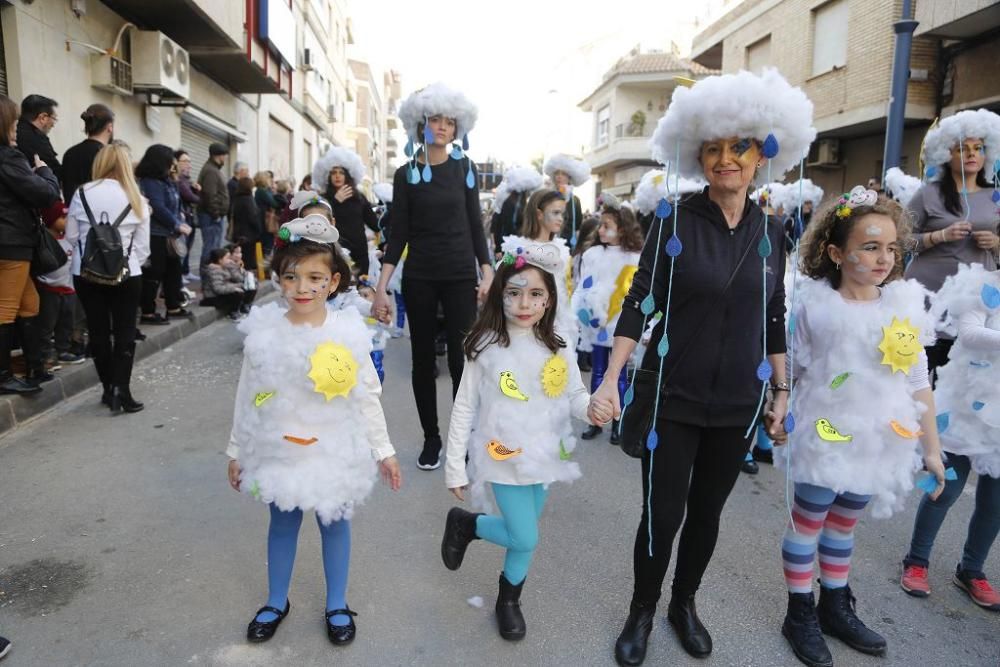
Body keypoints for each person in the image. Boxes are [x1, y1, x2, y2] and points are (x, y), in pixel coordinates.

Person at [588, 69, 815, 665]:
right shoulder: (674, 218)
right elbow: (640, 301)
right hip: (673, 396)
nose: (724, 160)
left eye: (736, 147)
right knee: (661, 516)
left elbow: (774, 314)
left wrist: (782, 391)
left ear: (760, 153)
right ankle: (642, 608)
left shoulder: (772, 231)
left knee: (707, 516)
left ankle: (683, 604)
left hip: (737, 400)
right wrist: (612, 377)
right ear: (697, 154)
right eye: (712, 149)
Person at [775, 187, 946, 667]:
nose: (884, 258)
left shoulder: (901, 304)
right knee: (808, 522)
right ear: (835, 252)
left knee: (844, 524)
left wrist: (931, 448)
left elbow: (918, 380)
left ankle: (834, 604)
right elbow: (794, 370)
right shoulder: (812, 306)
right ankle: (799, 611)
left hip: (876, 436)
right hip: (823, 432)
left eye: (892, 248)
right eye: (870, 246)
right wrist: (779, 409)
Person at [225, 214, 401, 646]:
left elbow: (365, 396)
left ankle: (337, 603)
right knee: (282, 524)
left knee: (334, 525)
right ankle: (276, 600)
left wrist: (384, 450)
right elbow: (249, 394)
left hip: (334, 450)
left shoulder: (347, 334)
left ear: (334, 281)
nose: (302, 287)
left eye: (314, 277)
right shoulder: (264, 333)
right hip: (281, 450)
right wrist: (238, 449)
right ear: (278, 279)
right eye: (291, 276)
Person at [440, 247, 603, 640]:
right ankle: (470, 526)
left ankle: (508, 601)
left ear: (549, 299)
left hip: (545, 455)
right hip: (502, 455)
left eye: (534, 294)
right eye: (513, 293)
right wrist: (454, 466)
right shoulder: (484, 344)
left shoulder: (558, 344)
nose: (524, 303)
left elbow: (574, 396)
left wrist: (593, 408)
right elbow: (464, 406)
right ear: (499, 294)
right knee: (526, 534)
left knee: (524, 533)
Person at [371, 82, 494, 471]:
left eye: (448, 122)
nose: (441, 127)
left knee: (462, 361)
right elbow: (399, 233)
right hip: (420, 276)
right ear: (420, 125)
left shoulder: (465, 168)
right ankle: (432, 439)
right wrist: (381, 287)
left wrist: (487, 272)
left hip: (460, 275)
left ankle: (461, 437)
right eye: (434, 121)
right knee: (423, 362)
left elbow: (476, 226)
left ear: (457, 129)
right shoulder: (405, 174)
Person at [900, 262, 1000, 611]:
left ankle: (972, 570)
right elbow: (969, 333)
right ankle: (917, 559)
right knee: (946, 487)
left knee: (995, 502)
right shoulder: (983, 284)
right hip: (964, 407)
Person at [904, 109, 1000, 380]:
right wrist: (939, 236)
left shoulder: (996, 197)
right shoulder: (927, 194)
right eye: (962, 149)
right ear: (947, 154)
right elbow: (900, 241)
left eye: (978, 148)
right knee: (920, 375)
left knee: (967, 379)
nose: (971, 154)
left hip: (977, 303)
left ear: (987, 154)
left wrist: (996, 242)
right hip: (928, 298)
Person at [66, 142, 151, 413]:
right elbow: (143, 248)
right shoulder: (137, 197)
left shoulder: (82, 193)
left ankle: (106, 388)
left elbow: (71, 236)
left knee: (98, 330)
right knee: (125, 332)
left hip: (86, 272)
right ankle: (122, 391)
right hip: (127, 273)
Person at [0, 94, 61, 394]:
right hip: (12, 241)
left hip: (11, 241)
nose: (16, 128)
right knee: (7, 306)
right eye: (12, 121)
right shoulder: (8, 157)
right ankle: (3, 376)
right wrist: (45, 172)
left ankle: (35, 365)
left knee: (28, 302)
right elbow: (44, 194)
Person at [572, 194, 643, 444]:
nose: (600, 230)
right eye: (600, 225)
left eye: (607, 226)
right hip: (597, 323)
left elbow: (637, 291)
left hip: (622, 324)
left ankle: (617, 421)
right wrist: (583, 312)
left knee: (619, 372)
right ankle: (596, 418)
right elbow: (584, 285)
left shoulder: (634, 257)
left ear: (622, 229)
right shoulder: (592, 254)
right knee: (599, 371)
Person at [136, 144, 191, 324]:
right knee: (154, 272)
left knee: (173, 271)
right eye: (170, 162)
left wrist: (180, 219)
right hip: (156, 233)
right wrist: (177, 224)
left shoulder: (167, 180)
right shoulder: (150, 182)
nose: (173, 165)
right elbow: (158, 207)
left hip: (170, 234)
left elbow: (176, 203)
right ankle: (148, 313)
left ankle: (173, 307)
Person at [314, 147, 378, 277]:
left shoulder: (359, 197)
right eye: (333, 172)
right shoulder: (324, 198)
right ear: (328, 176)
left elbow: (374, 223)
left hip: (359, 252)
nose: (337, 176)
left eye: (341, 172)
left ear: (348, 176)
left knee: (360, 289)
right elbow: (318, 222)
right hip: (335, 251)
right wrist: (335, 202)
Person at [35, 201, 84, 369]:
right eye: (62, 217)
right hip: (49, 289)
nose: (67, 221)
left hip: (68, 289)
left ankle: (63, 350)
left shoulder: (70, 240)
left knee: (66, 322)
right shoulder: (44, 241)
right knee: (46, 325)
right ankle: (46, 354)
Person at [61, 103, 114, 203]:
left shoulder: (70, 153)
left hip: (74, 212)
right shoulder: (108, 155)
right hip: (101, 214)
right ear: (109, 127)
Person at [489, 166, 543, 255]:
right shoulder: (514, 204)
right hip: (511, 249)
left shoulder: (512, 202)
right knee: (510, 268)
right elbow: (509, 227)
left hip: (511, 247)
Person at [543, 154, 589, 245]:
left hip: (568, 247)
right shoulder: (547, 197)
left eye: (563, 174)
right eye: (557, 173)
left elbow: (577, 226)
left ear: (569, 178)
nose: (559, 176)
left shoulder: (575, 201)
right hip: (548, 245)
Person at [197, 142, 229, 266]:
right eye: (225, 155)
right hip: (211, 217)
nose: (226, 158)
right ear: (219, 156)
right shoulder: (211, 171)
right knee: (211, 249)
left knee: (213, 248)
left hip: (212, 216)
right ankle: (207, 278)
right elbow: (210, 195)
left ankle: (211, 278)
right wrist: (216, 215)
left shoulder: (213, 169)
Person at [200, 247, 254, 320]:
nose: (229, 260)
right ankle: (233, 313)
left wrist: (239, 285)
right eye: (227, 258)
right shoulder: (214, 271)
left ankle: (241, 308)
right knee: (237, 294)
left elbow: (229, 282)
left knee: (244, 287)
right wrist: (234, 288)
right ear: (220, 260)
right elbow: (218, 288)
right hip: (212, 297)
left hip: (220, 293)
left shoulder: (223, 267)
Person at [16, 94, 61, 180]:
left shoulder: (13, 131)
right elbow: (55, 171)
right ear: (43, 117)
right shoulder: (37, 139)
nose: (53, 125)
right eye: (54, 119)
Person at [174, 149, 201, 280]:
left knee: (188, 246)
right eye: (185, 161)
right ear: (176, 162)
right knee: (181, 248)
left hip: (189, 216)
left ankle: (185, 271)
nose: (188, 165)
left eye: (189, 162)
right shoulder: (179, 180)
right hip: (182, 217)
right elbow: (191, 198)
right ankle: (179, 274)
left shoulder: (186, 180)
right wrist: (196, 192)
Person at [231, 176, 261, 271]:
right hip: (249, 234)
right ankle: (247, 280)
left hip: (238, 232)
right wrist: (259, 230)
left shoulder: (236, 198)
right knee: (248, 260)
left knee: (239, 258)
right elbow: (253, 217)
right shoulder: (249, 199)